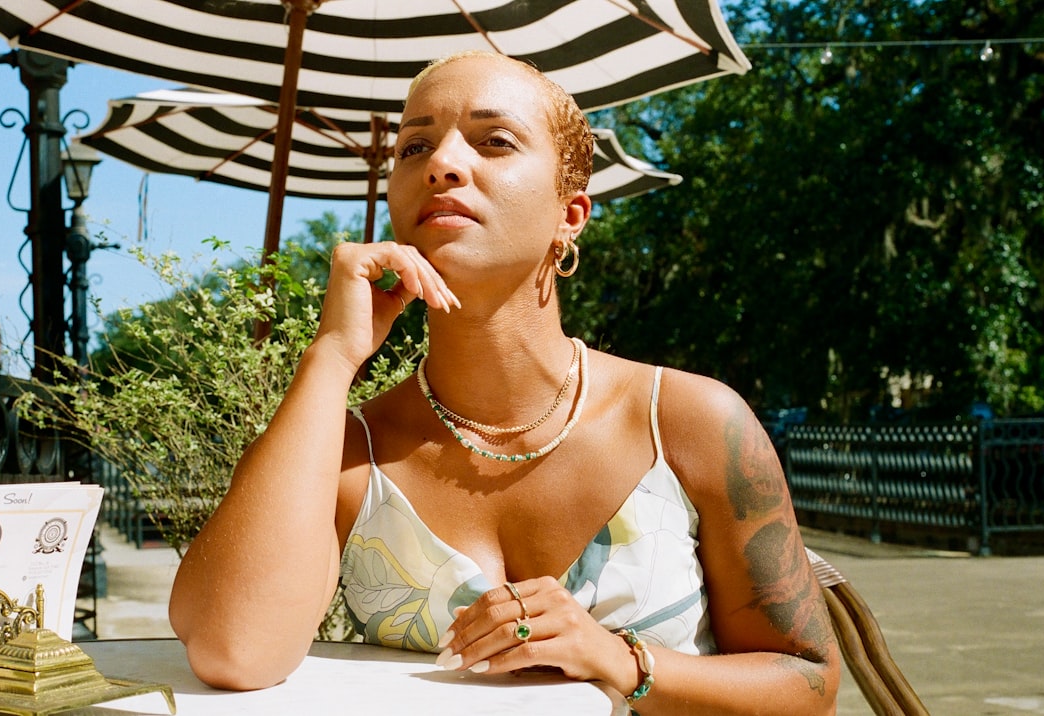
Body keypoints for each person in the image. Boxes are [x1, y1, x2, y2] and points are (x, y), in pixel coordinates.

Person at [169, 50, 840, 714]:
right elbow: (234, 650)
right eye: (413, 147)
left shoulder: (688, 421)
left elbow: (809, 683)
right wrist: (334, 355)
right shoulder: (350, 452)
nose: (441, 164)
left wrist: (617, 658)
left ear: (569, 214)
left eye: (494, 141)